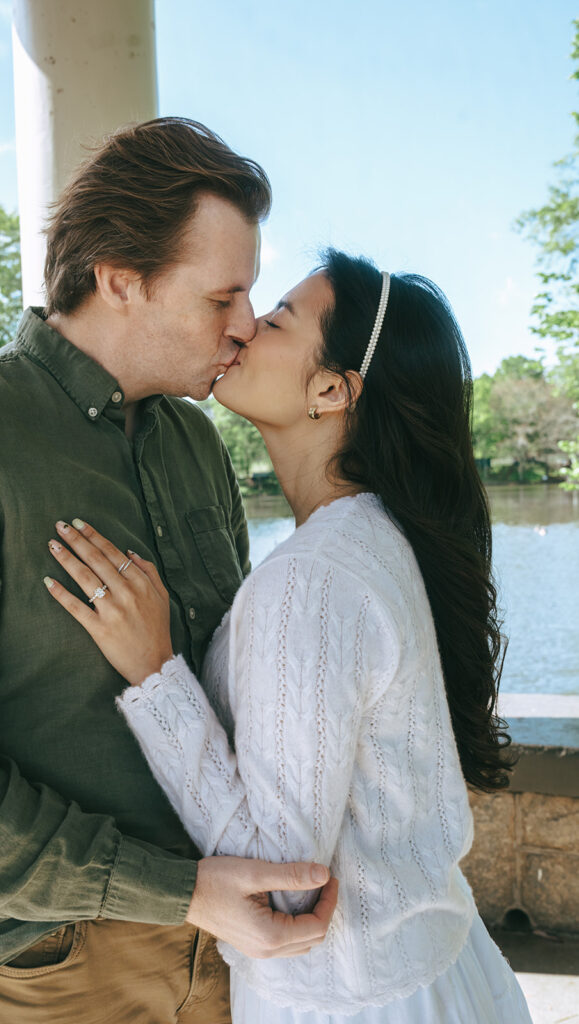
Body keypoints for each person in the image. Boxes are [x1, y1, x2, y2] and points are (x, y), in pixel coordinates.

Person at [0, 118, 338, 1024]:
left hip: (223, 945)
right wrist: (167, 888)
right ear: (120, 280)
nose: (247, 325)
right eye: (223, 297)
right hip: (34, 964)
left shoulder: (193, 443)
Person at [43, 251, 534, 1023]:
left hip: (346, 996)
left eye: (274, 321)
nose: (241, 327)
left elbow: (283, 880)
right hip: (431, 968)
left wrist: (154, 670)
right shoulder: (373, 538)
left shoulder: (314, 579)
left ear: (331, 389)